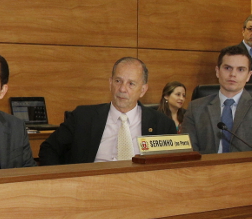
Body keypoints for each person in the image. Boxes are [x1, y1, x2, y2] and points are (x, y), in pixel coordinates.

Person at [39, 57, 177, 165]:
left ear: (143, 90)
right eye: (118, 81)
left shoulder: (162, 124)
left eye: (131, 84)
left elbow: (173, 166)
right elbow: (48, 149)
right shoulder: (83, 117)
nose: (122, 89)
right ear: (110, 83)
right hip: (91, 190)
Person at [181, 45, 252, 153]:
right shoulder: (195, 108)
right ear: (217, 71)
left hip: (251, 168)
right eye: (227, 68)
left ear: (249, 75)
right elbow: (189, 150)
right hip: (207, 168)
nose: (233, 74)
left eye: (240, 69)